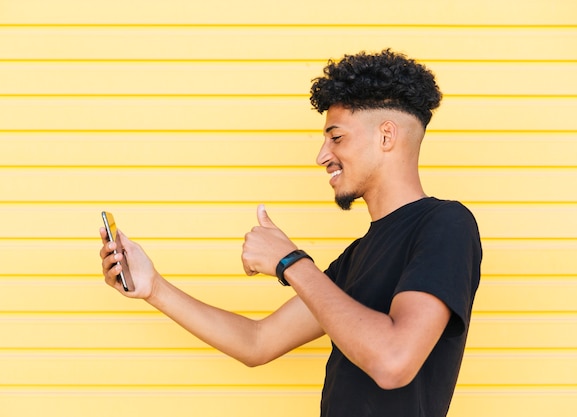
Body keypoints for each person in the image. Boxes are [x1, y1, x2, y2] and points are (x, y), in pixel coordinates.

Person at [99, 49, 482, 417]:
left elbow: (393, 361)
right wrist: (155, 287)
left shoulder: (446, 224)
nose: (321, 156)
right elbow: (257, 342)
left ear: (386, 136)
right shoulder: (357, 258)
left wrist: (290, 262)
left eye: (336, 137)